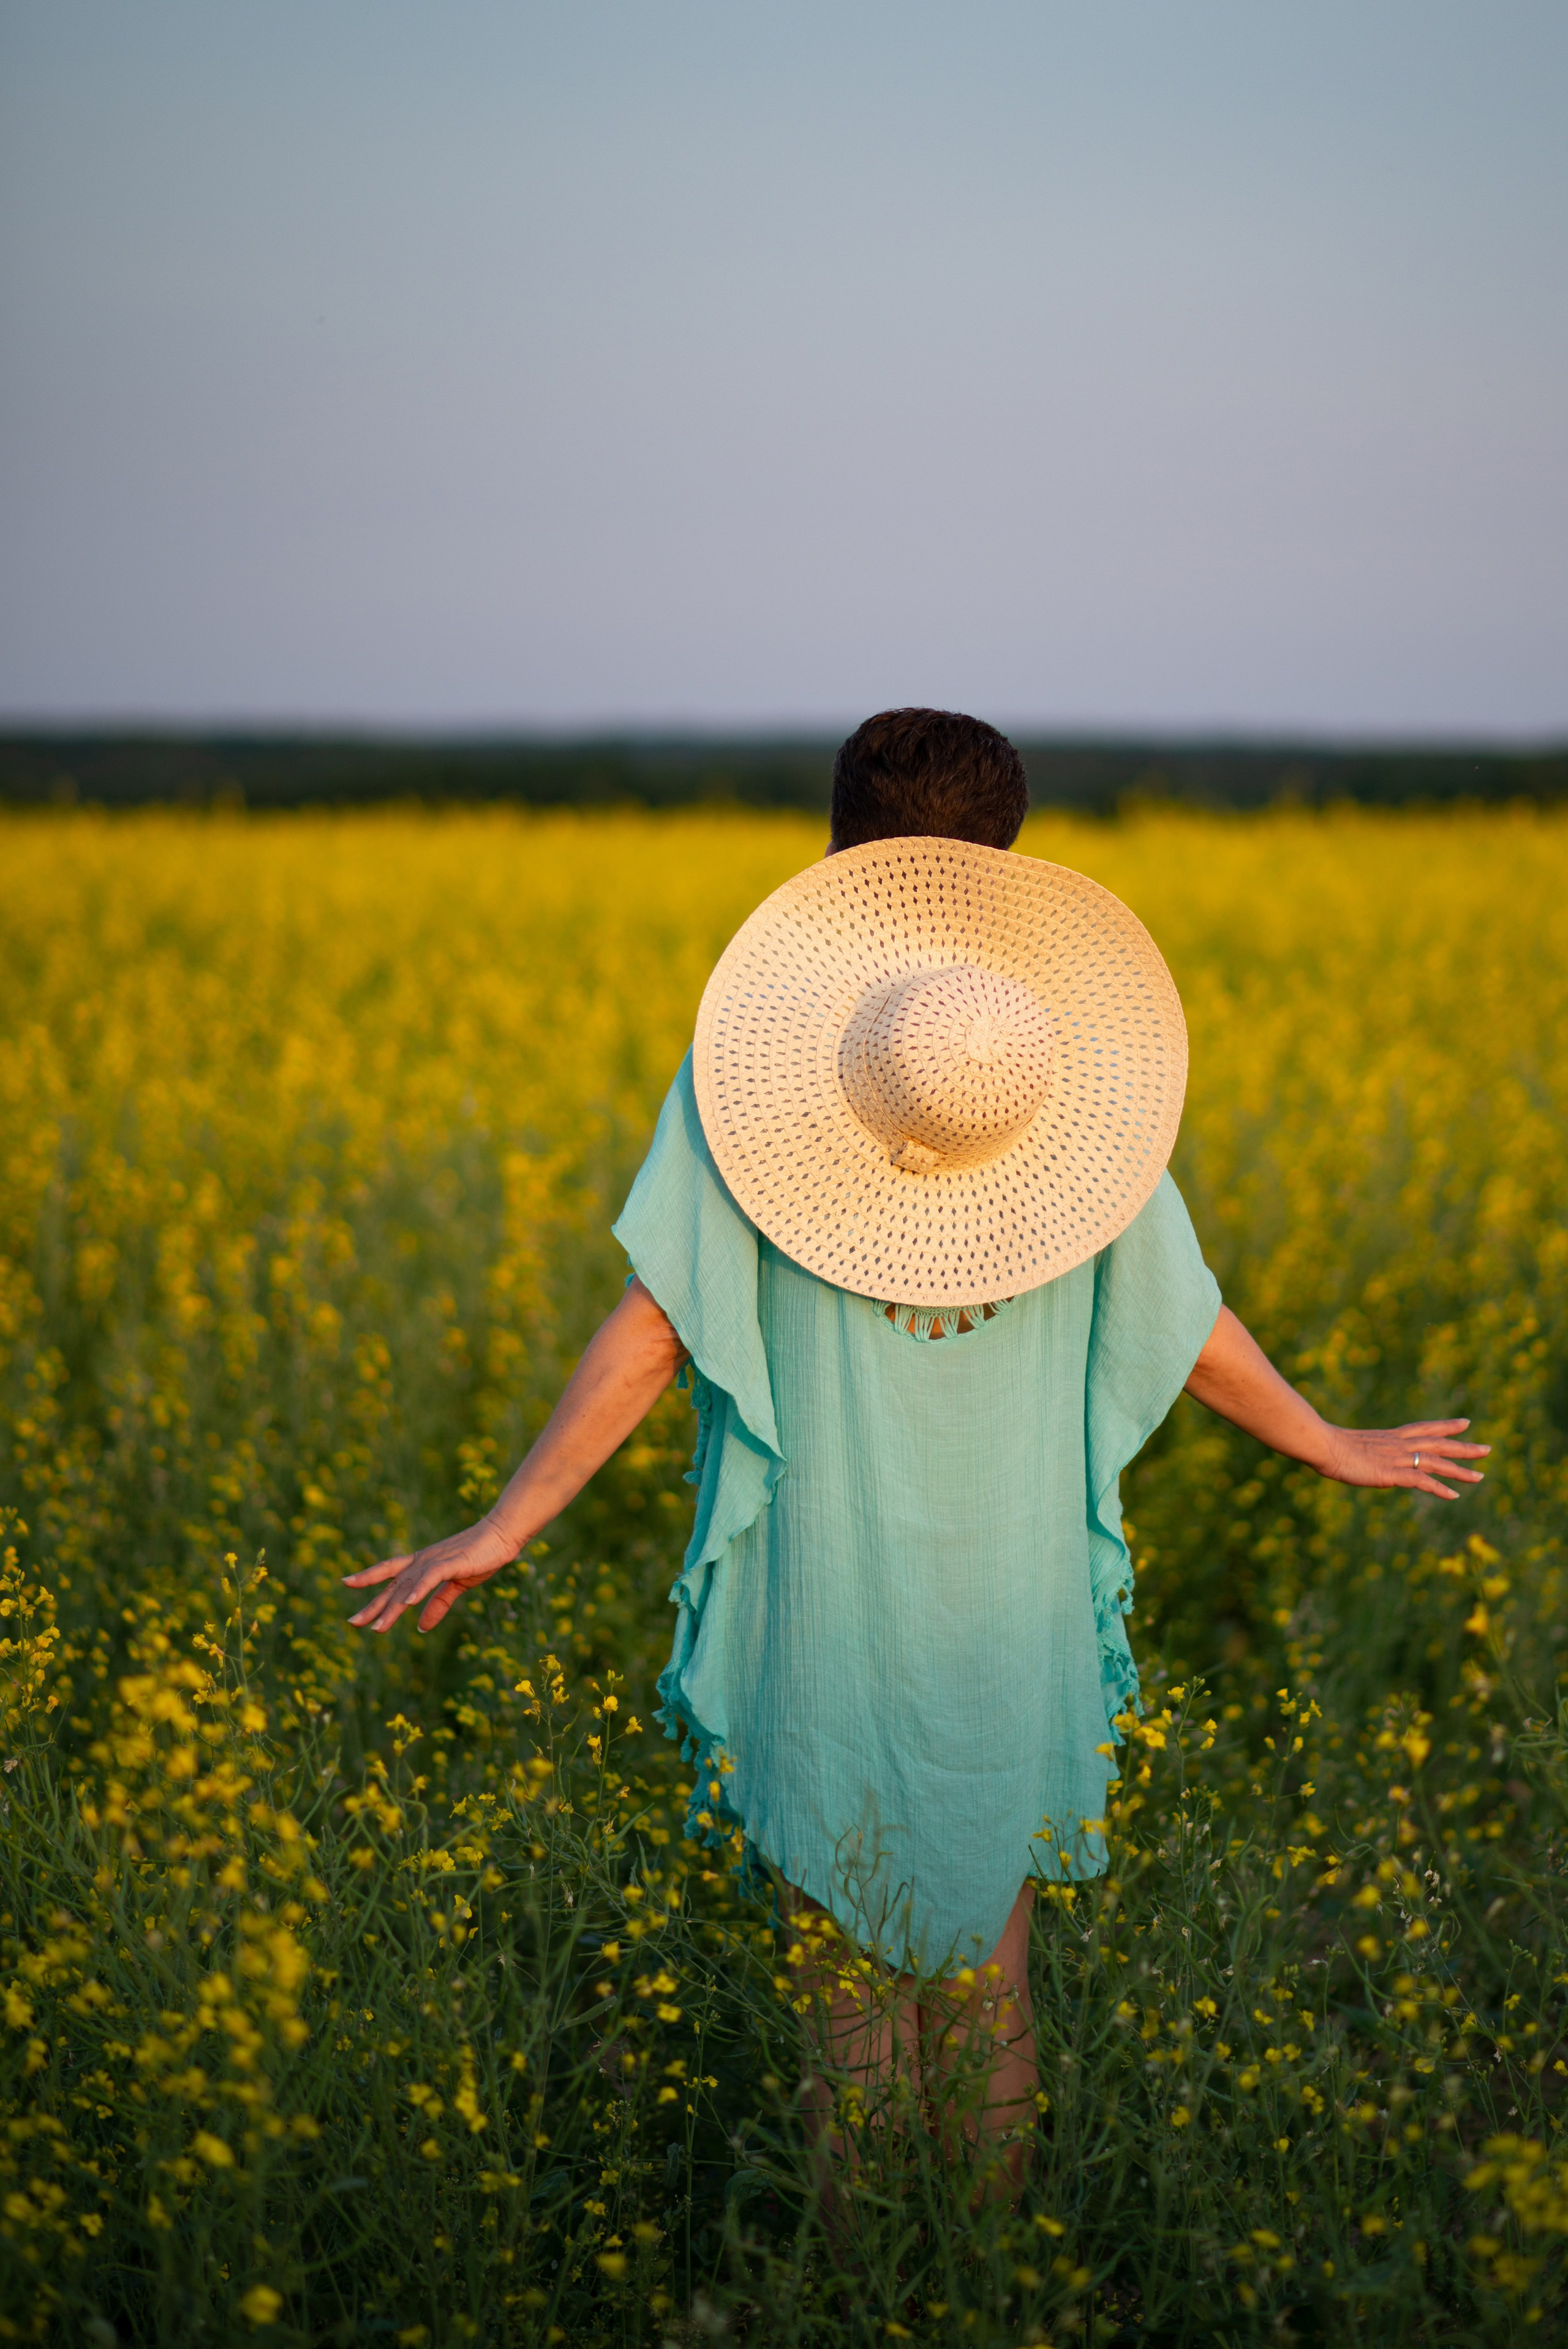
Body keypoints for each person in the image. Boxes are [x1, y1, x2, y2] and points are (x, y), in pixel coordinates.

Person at [344, 707, 1487, 2198]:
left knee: (847, 1997)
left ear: (836, 851)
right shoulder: (1065, 1081)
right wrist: (1329, 1442)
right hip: (1006, 1590)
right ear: (1006, 858)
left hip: (833, 1586)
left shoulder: (748, 1073)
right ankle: (980, 2283)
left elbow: (653, 1330)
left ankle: (863, 2290)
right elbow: (1183, 1323)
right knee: (989, 1982)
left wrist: (506, 1520)